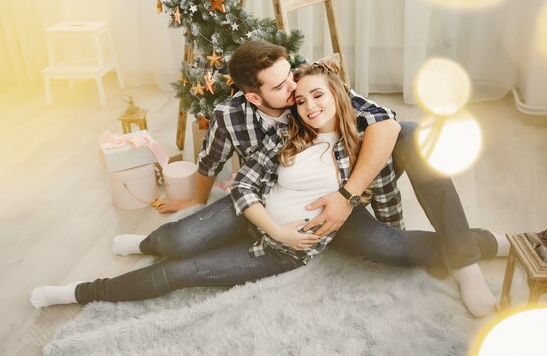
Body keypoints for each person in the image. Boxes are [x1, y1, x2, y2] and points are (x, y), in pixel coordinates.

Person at [30, 60, 510, 317]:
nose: (300, 98)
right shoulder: (281, 133)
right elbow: (240, 183)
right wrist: (252, 221)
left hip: (308, 235)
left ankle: (475, 254)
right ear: (257, 95)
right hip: (266, 223)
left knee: (404, 176)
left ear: (336, 92)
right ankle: (135, 251)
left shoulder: (350, 125)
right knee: (176, 242)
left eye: (310, 91)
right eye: (293, 95)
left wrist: (343, 202)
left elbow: (390, 127)